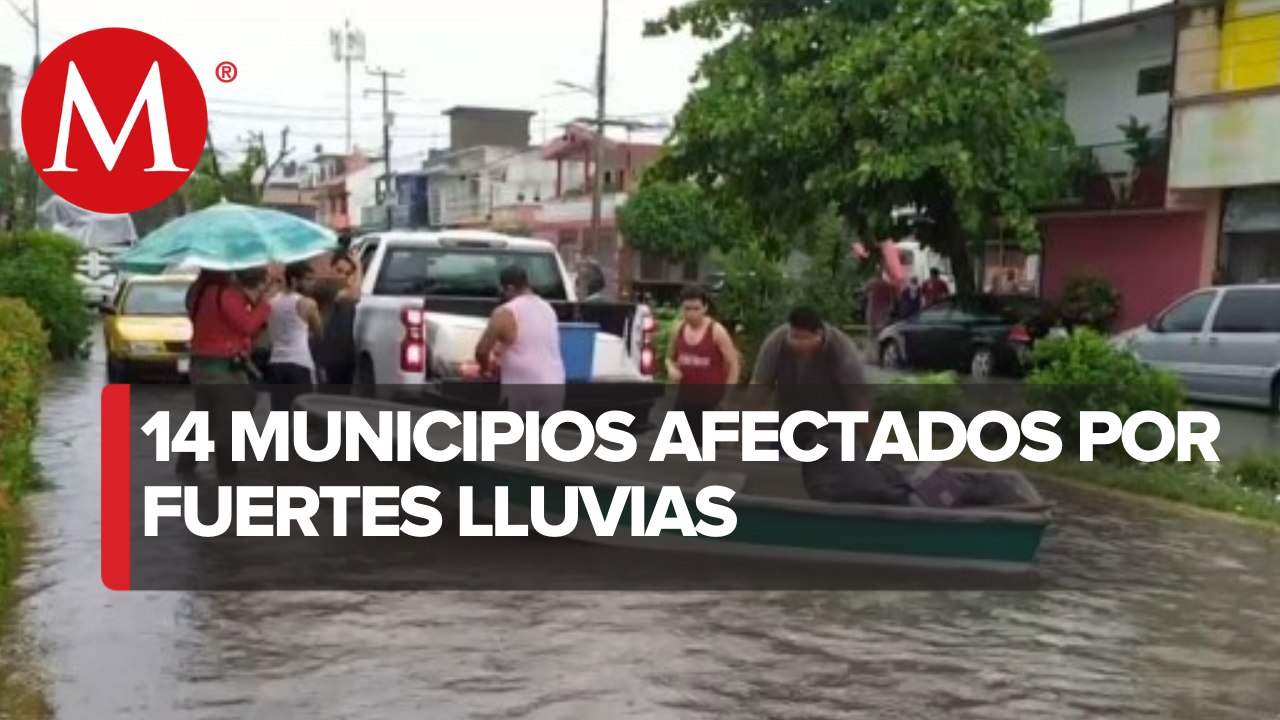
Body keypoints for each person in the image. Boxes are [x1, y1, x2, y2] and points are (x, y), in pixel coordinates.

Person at [176, 267, 276, 479]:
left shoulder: (197, 291)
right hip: (223, 367)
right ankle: (227, 476)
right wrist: (265, 304)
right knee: (229, 424)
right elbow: (247, 325)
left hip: (200, 365)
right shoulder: (226, 294)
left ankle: (185, 467)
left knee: (205, 419)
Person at [474, 265, 566, 415]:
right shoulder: (548, 308)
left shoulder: (505, 312)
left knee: (515, 435)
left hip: (523, 388)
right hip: (554, 384)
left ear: (510, 288)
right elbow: (531, 343)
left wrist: (485, 370)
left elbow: (482, 350)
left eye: (503, 290)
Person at [666, 285, 741, 441]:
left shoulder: (716, 331)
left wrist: (727, 397)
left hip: (710, 402)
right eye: (687, 309)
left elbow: (734, 364)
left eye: (696, 308)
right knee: (680, 450)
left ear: (705, 308)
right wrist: (671, 369)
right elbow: (669, 357)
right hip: (685, 400)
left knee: (707, 453)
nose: (691, 314)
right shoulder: (678, 330)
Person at [266, 262, 323, 412]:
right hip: (300, 363)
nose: (312, 284)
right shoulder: (308, 304)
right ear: (294, 280)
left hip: (276, 362)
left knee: (279, 413)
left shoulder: (271, 302)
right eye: (308, 279)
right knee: (303, 414)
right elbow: (319, 331)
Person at [316, 251, 362, 388]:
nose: (342, 276)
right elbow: (355, 296)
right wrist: (359, 268)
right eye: (339, 271)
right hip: (327, 357)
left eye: (347, 273)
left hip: (346, 356)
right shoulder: (327, 288)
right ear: (331, 269)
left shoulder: (347, 288)